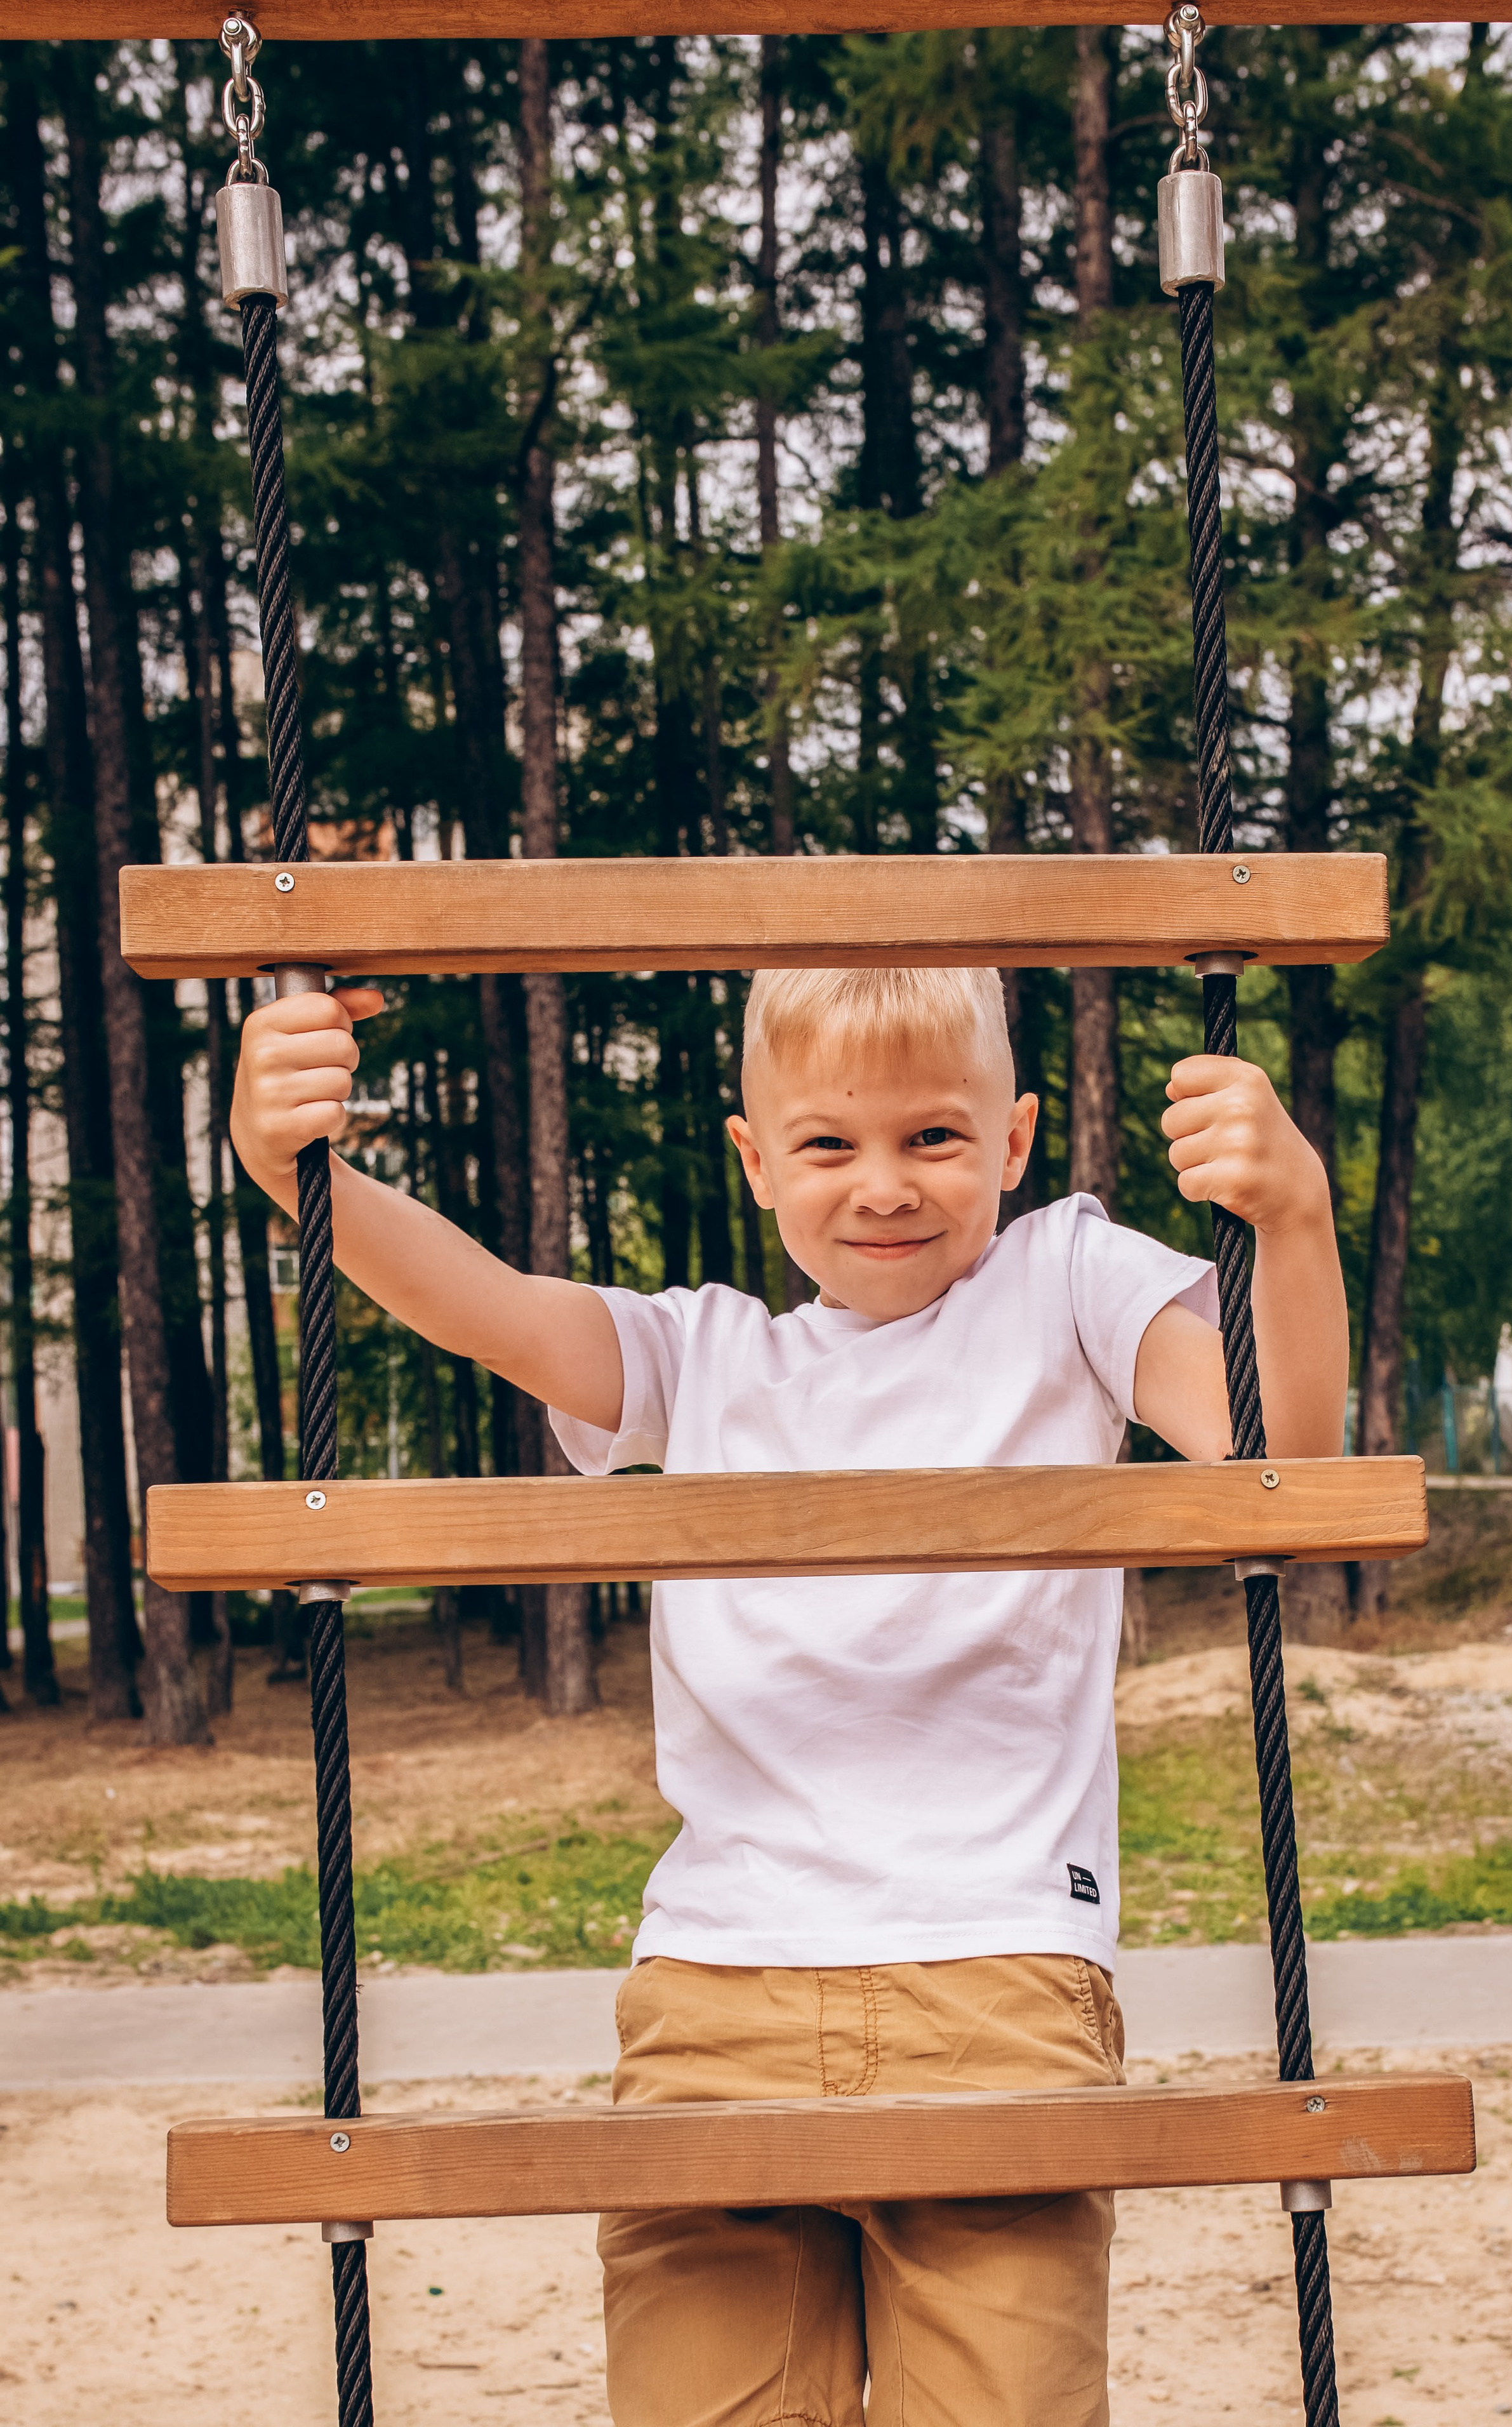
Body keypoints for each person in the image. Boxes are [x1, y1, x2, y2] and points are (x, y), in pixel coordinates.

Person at [232, 962, 1347, 2427]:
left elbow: (1277, 1455)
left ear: (1012, 1144)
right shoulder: (698, 1359)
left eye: (933, 1139)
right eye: (828, 1143)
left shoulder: (1066, 1283)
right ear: (755, 1161)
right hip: (714, 1994)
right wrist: (292, 1173)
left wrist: (1293, 1219)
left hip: (996, 1983)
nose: (882, 1184)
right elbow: (489, 1309)